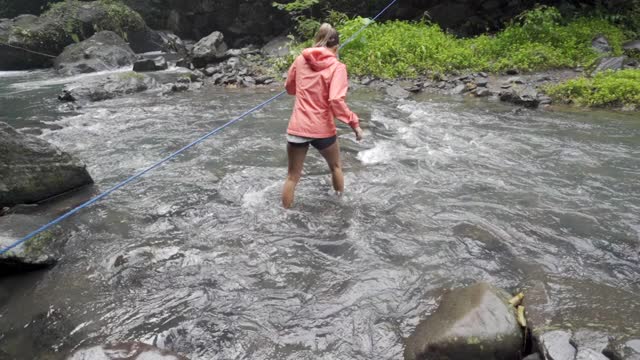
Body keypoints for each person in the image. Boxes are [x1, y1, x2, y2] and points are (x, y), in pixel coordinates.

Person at [282, 23, 364, 209]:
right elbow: (335, 100)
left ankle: (284, 215)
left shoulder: (300, 60)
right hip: (322, 129)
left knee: (292, 176)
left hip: (298, 127)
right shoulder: (337, 67)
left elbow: (289, 88)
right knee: (335, 167)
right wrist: (354, 123)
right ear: (336, 47)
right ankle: (339, 205)